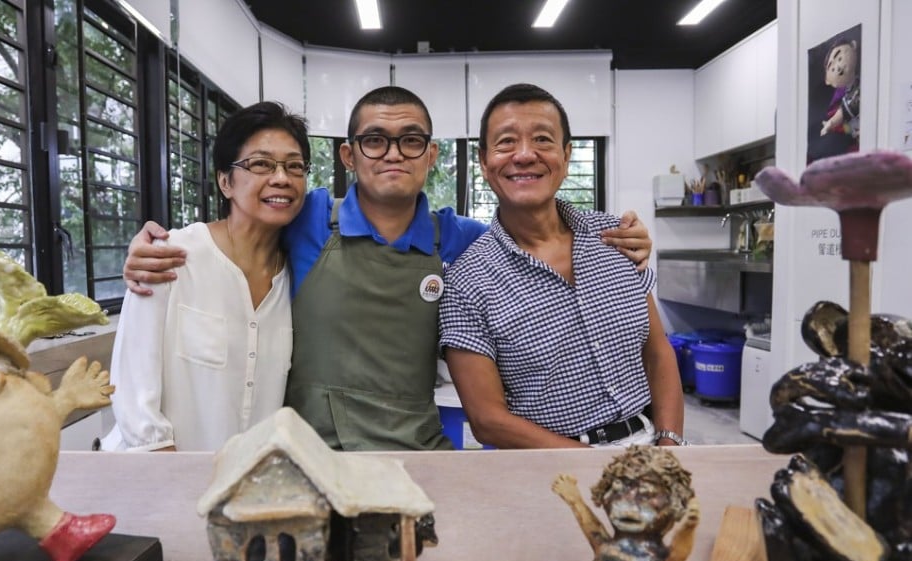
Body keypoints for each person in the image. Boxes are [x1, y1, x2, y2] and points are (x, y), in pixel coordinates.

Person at [122, 86, 654, 451]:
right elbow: (244, 216)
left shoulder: (465, 241)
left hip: (420, 451)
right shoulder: (307, 218)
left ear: (432, 156)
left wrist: (622, 242)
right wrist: (156, 243)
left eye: (411, 141)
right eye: (375, 140)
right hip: (313, 455)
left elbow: (542, 248)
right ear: (350, 157)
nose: (393, 153)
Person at [438, 83, 684, 449]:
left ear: (566, 156)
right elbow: (488, 421)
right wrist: (596, 466)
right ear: (484, 162)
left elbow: (657, 349)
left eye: (543, 139)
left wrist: (670, 445)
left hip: (653, 445)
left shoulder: (614, 237)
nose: (524, 155)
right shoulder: (467, 281)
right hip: (550, 464)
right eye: (506, 142)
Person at [101, 101, 308, 451]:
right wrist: (175, 481)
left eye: (294, 166)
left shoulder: (297, 275)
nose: (281, 178)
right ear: (225, 181)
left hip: (242, 488)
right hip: (156, 480)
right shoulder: (169, 256)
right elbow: (133, 393)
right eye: (260, 164)